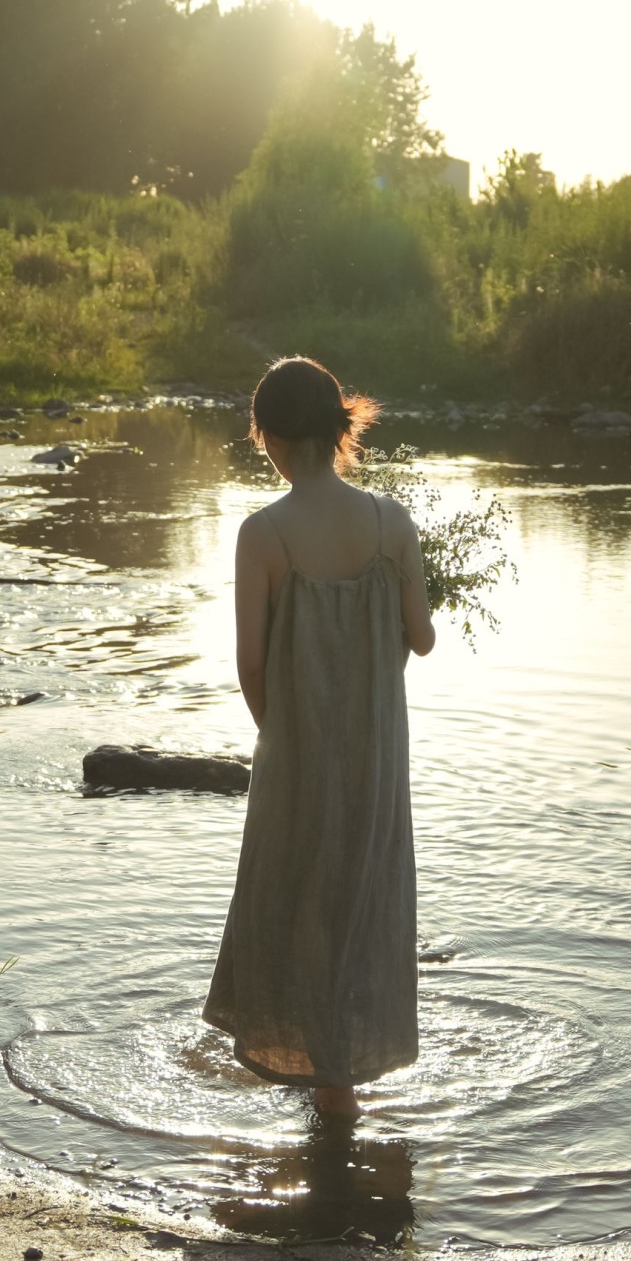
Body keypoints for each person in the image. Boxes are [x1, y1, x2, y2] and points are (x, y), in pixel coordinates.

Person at [202, 356, 435, 1119]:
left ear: (265, 437)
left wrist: (286, 741)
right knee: (360, 907)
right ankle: (341, 1086)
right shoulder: (390, 522)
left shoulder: (262, 534)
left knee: (294, 905)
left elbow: (250, 663)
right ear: (341, 429)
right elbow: (422, 640)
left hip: (294, 753)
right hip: (374, 758)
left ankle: (320, 1093)